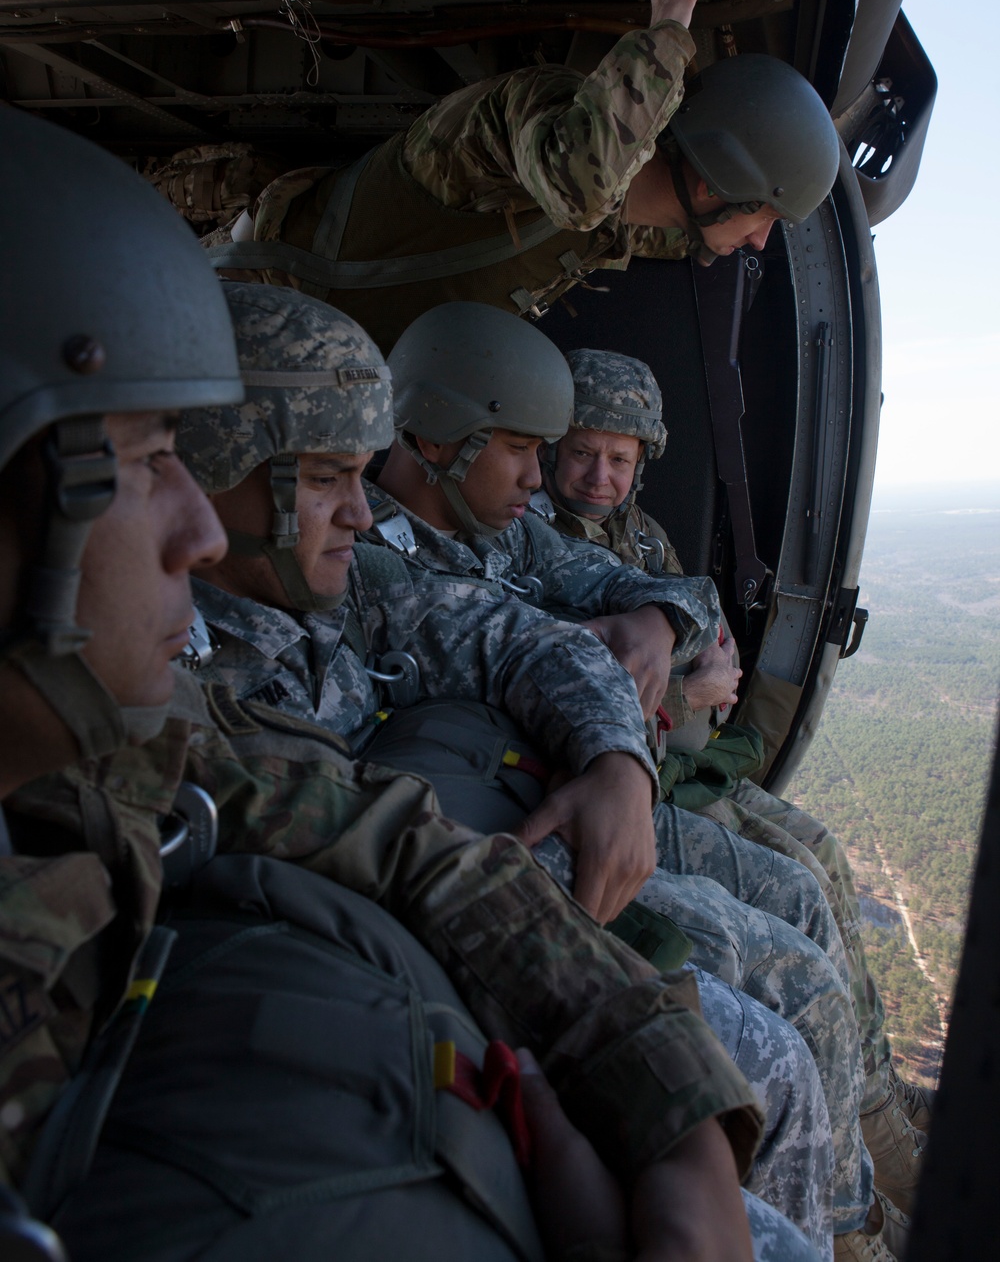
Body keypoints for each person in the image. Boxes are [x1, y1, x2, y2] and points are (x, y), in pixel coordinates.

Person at [0, 106, 785, 1262]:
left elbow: (393, 828)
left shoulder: (145, 734)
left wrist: (664, 1094)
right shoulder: (157, 687)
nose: (196, 531)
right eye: (145, 461)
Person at [178, 284, 898, 1255]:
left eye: (360, 474)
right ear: (212, 474)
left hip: (464, 897)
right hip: (384, 978)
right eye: (321, 478)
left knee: (783, 973)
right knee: (766, 1059)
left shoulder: (333, 590)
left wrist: (616, 763)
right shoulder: (171, 672)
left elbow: (524, 640)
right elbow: (368, 849)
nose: (360, 508)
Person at [540, 344, 930, 1254]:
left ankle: (877, 1106)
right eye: (580, 454)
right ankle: (860, 1214)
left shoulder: (637, 540)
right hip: (656, 776)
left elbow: (702, 625)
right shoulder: (543, 545)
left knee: (821, 858)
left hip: (688, 761)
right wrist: (695, 690)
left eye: (620, 459)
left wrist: (703, 681)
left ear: (644, 462)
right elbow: (605, 695)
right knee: (791, 906)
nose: (599, 477)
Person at [201, 0, 842, 351]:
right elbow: (581, 190)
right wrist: (673, 12)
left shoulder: (630, 221)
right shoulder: (539, 115)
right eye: (766, 219)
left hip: (292, 349)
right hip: (233, 297)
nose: (761, 242)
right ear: (713, 184)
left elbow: (667, 229)